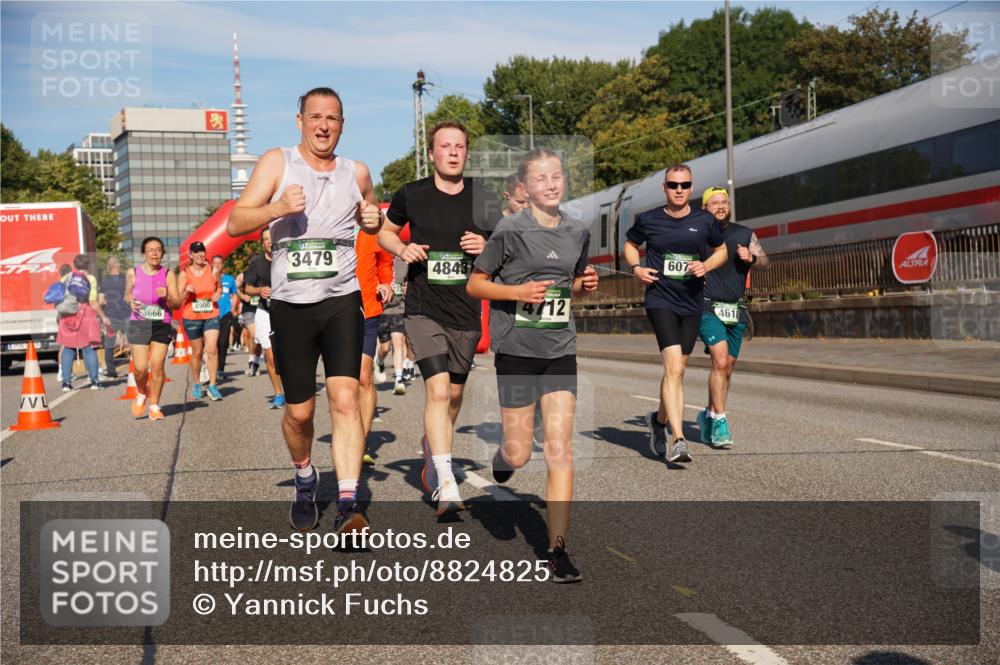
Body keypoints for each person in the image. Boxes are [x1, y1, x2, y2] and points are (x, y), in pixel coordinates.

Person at [228, 86, 384, 535]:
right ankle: (304, 476)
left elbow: (371, 213)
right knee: (300, 413)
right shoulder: (277, 162)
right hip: (292, 306)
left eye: (332, 118)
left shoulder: (357, 171)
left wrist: (371, 220)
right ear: (299, 121)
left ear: (342, 124)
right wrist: (277, 207)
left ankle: (348, 505)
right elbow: (236, 221)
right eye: (315, 117)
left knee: (346, 397)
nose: (323, 125)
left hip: (341, 299)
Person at [468, 148, 598, 582]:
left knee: (560, 451)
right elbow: (476, 284)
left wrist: (585, 285)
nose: (551, 184)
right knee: (522, 453)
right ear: (525, 188)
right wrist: (518, 294)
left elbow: (573, 285)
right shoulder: (510, 229)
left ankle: (556, 549)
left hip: (560, 350)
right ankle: (505, 455)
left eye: (557, 176)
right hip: (518, 353)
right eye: (541, 179)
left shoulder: (578, 231)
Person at [378, 120, 491, 516]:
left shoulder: (482, 195)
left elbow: (508, 243)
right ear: (432, 153)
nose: (453, 152)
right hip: (424, 308)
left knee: (455, 395)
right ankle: (445, 482)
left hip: (465, 309)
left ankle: (433, 445)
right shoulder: (412, 194)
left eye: (460, 146)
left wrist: (487, 244)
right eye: (445, 146)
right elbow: (385, 234)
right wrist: (402, 248)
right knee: (438, 392)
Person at [623, 164, 727, 464]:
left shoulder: (704, 220)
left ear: (691, 188)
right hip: (661, 299)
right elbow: (630, 244)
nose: (678, 190)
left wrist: (705, 266)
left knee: (679, 369)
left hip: (692, 302)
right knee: (672, 368)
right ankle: (678, 439)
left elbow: (720, 250)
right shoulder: (650, 219)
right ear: (664, 188)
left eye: (684, 185)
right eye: (673, 185)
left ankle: (657, 420)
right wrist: (637, 268)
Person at [696, 187, 769, 448]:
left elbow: (765, 261)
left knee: (726, 368)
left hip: (735, 308)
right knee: (720, 360)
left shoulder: (744, 233)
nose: (720, 206)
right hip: (707, 307)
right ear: (704, 207)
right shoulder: (698, 234)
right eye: (714, 203)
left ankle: (708, 414)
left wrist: (751, 257)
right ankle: (720, 422)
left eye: (724, 202)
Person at [126, 237, 181, 420]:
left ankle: (155, 405)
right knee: (140, 368)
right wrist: (130, 301)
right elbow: (126, 295)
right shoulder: (132, 273)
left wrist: (167, 296)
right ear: (144, 253)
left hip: (161, 323)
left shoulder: (168, 274)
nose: (154, 253)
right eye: (150, 250)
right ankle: (142, 392)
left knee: (157, 365)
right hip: (139, 323)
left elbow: (177, 303)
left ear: (162, 253)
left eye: (158, 250)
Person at [355, 222, 394, 464]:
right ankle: (348, 432)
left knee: (363, 376)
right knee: (343, 383)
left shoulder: (371, 231)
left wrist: (386, 283)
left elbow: (385, 261)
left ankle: (360, 440)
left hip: (367, 309)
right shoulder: (325, 223)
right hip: (331, 311)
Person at [242, 228, 285, 408]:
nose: (269, 241)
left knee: (290, 354)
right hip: (265, 312)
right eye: (266, 239)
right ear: (262, 243)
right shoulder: (257, 262)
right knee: (271, 356)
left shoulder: (286, 257)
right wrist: (260, 290)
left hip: (288, 312)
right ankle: (278, 394)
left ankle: (295, 387)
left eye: (272, 238)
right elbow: (247, 288)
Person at [177, 241, 223, 401]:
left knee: (212, 349)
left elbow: (219, 288)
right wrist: (186, 292)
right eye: (196, 252)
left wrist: (217, 294)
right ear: (190, 255)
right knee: (197, 353)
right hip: (192, 317)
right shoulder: (184, 274)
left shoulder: (213, 270)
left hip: (211, 314)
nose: (200, 254)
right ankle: (196, 383)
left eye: (202, 251)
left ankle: (212, 385)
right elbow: (178, 299)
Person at [58, 254, 111, 391]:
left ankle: (66, 383)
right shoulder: (90, 278)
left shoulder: (66, 277)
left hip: (68, 314)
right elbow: (93, 302)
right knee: (89, 348)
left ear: (75, 265)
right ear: (88, 265)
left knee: (68, 348)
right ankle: (94, 382)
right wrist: (103, 316)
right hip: (86, 313)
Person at [376, 258, 409, 395]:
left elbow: (407, 283)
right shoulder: (378, 261)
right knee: (385, 348)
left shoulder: (404, 264)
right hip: (382, 310)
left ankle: (399, 380)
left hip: (399, 310)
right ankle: (379, 361)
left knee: (398, 343)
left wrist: (407, 288)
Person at [98, 255, 130, 378]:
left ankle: (111, 371)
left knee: (110, 345)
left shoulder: (104, 281)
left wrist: (109, 302)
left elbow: (100, 301)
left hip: (112, 317)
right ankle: (137, 367)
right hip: (127, 314)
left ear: (108, 267)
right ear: (119, 265)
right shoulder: (126, 279)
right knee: (133, 343)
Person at [213, 255, 238, 383]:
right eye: (215, 263)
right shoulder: (209, 279)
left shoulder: (229, 279)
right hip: (211, 314)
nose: (217, 265)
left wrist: (232, 310)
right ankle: (209, 369)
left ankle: (221, 369)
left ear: (223, 265)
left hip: (225, 314)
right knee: (212, 344)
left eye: (219, 263)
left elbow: (234, 295)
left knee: (223, 343)